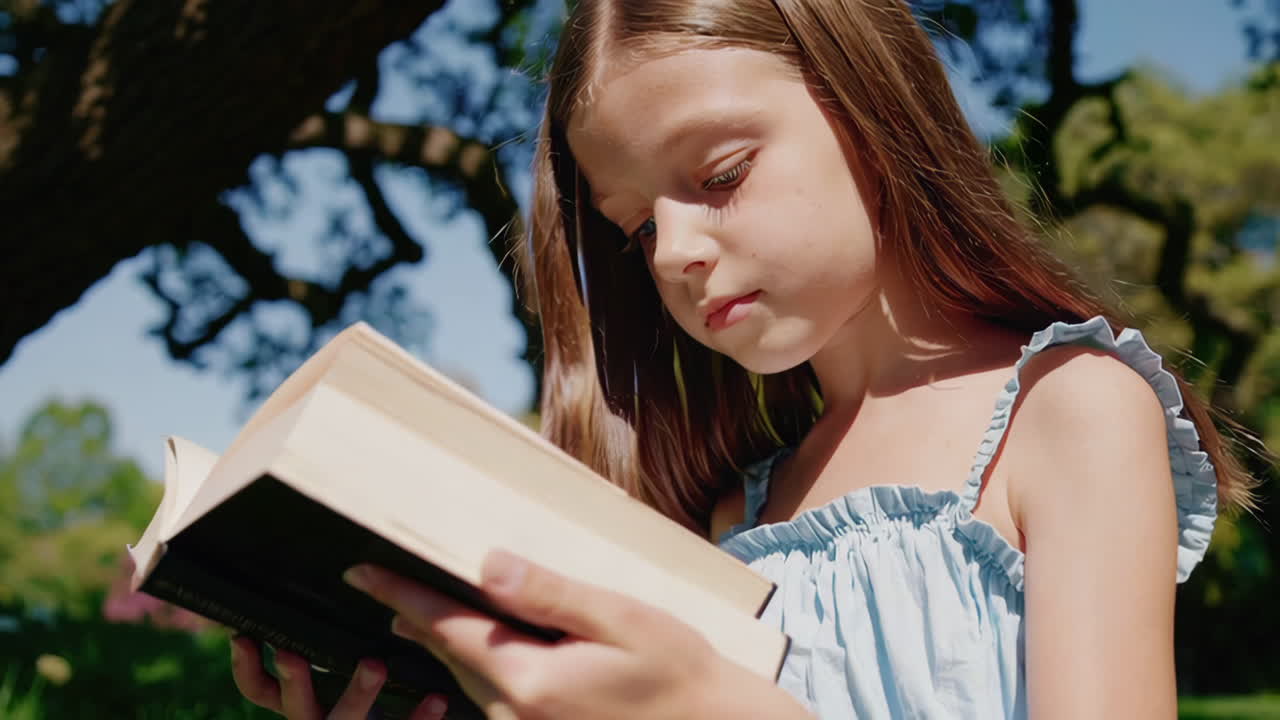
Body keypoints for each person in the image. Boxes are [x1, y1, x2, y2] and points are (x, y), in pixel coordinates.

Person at [231, 0, 1258, 718]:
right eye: (635, 229)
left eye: (719, 174)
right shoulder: (736, 517)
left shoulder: (1070, 412)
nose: (673, 252)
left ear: (870, 103)